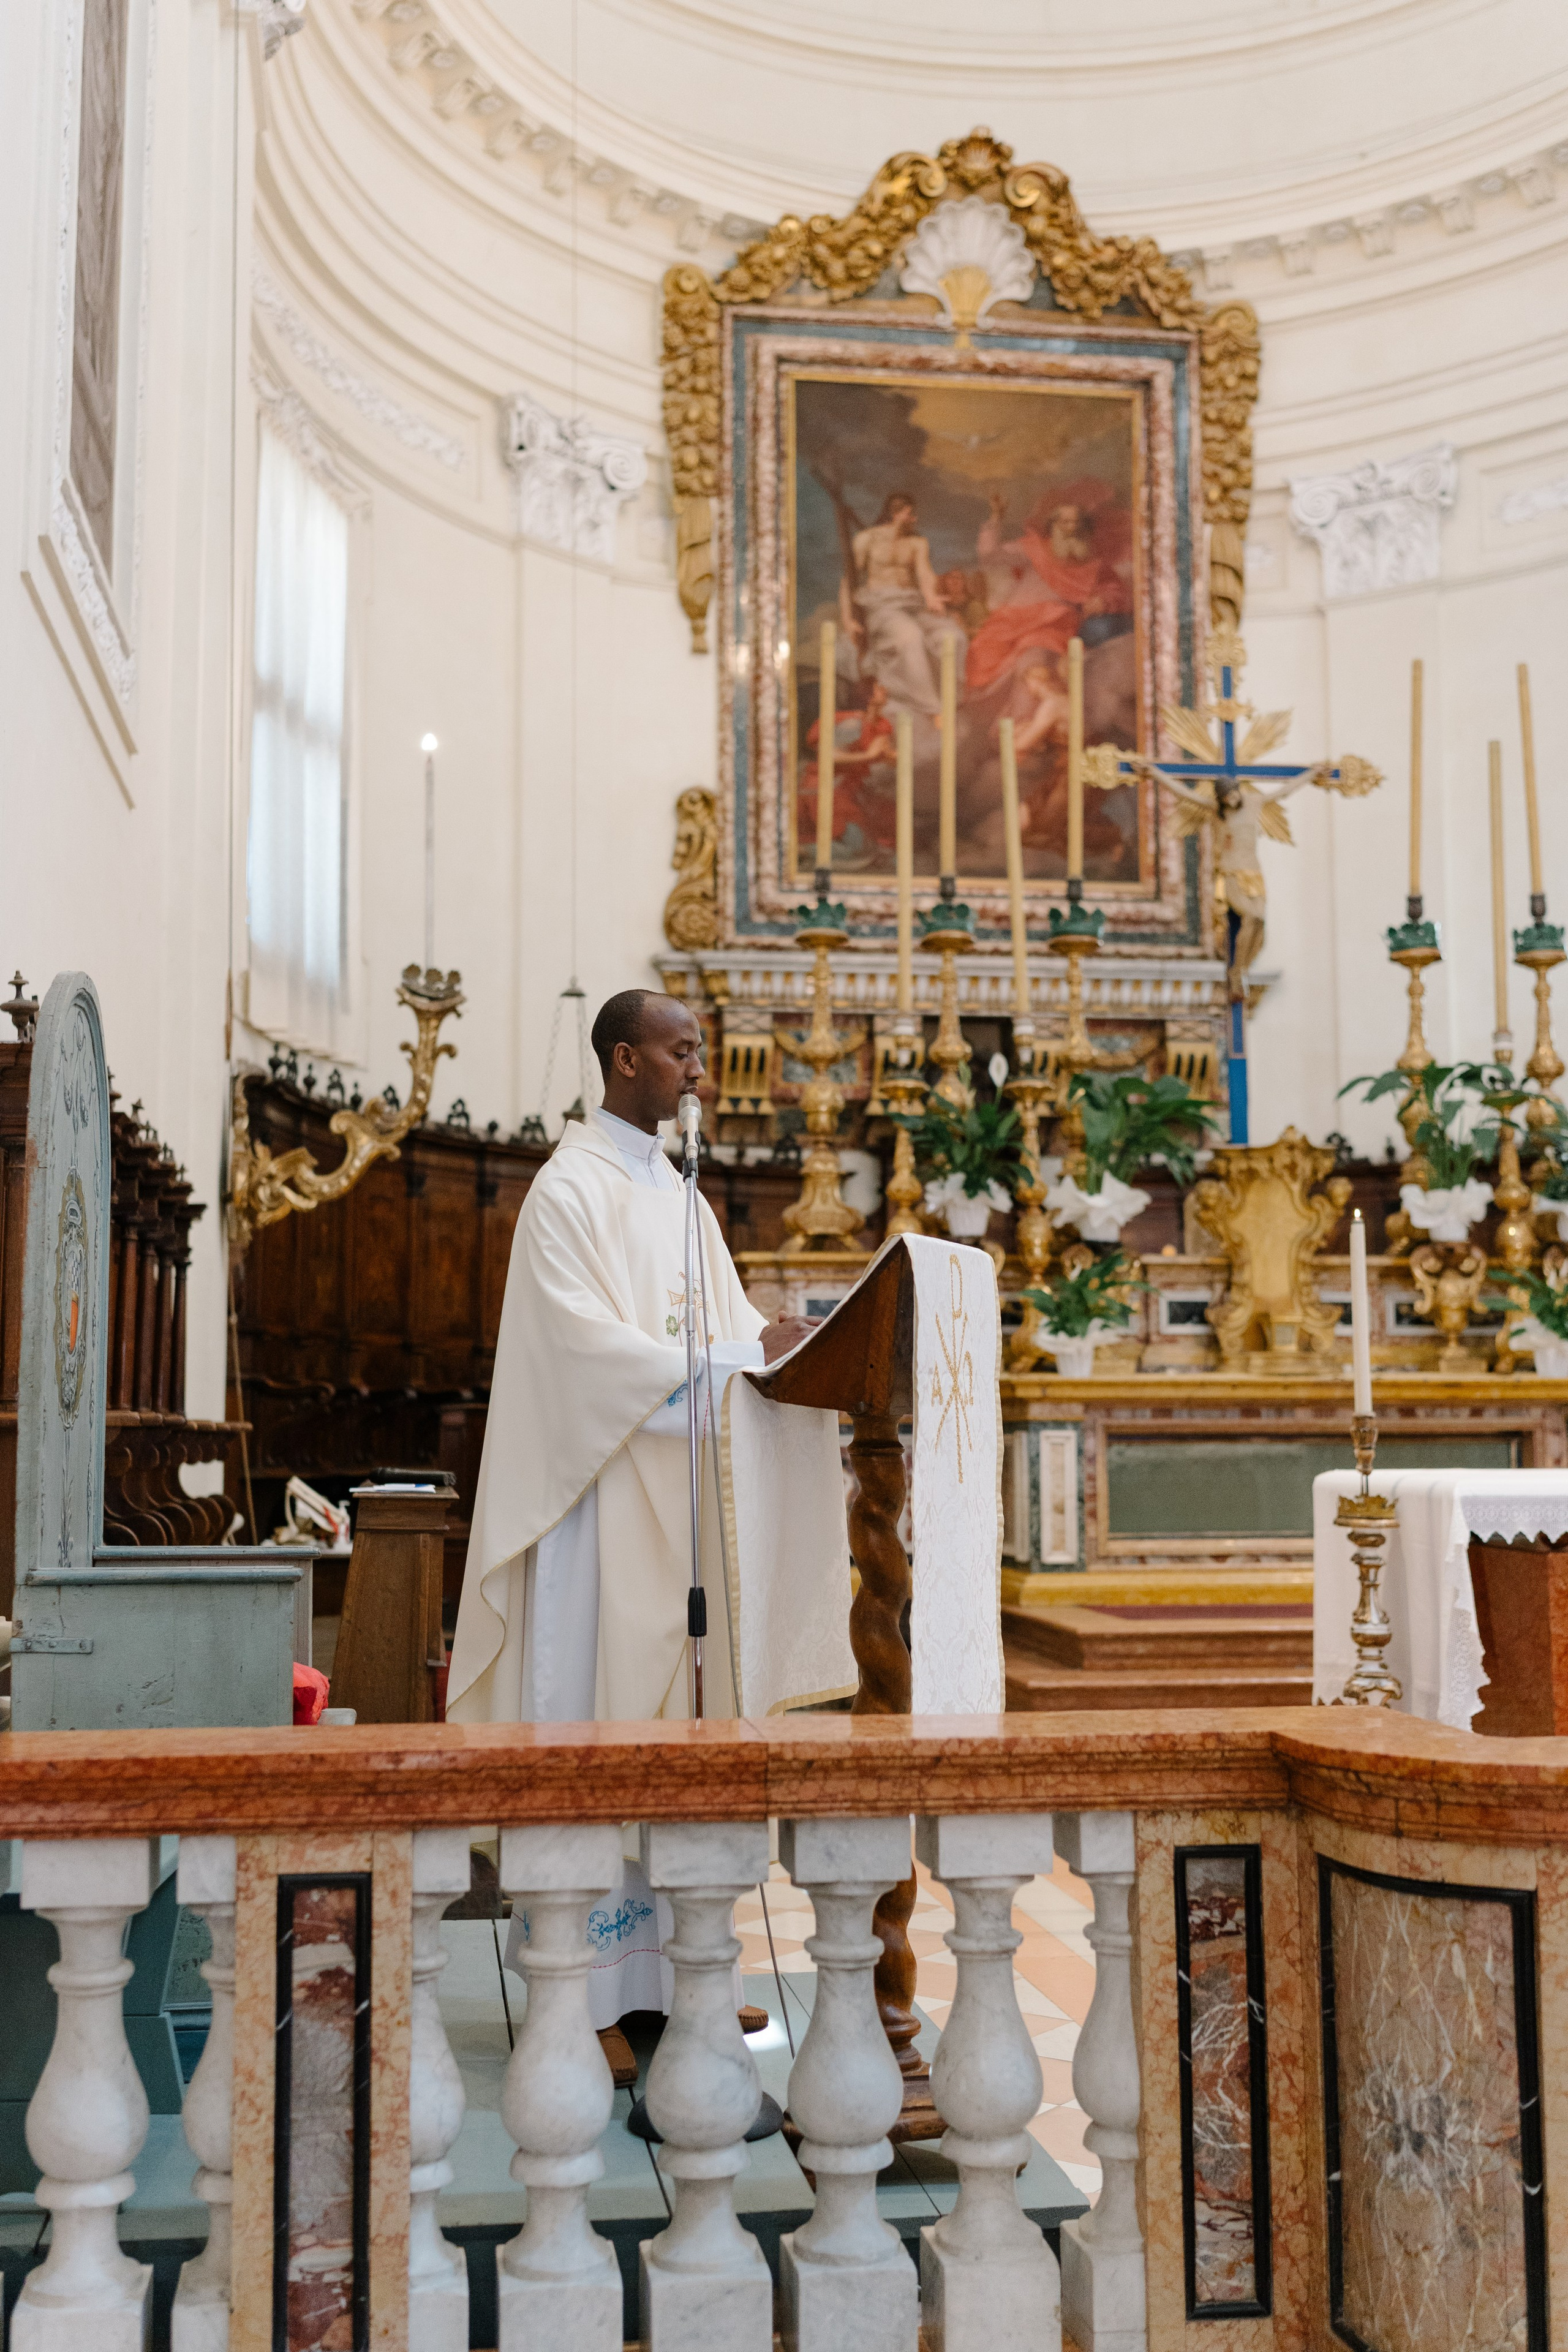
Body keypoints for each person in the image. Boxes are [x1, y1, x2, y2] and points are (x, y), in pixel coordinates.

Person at [445, 988, 810, 2061]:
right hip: (595, 1516)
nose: (700, 1070)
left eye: (696, 1051)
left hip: (681, 1515)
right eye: (681, 1051)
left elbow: (730, 1330)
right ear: (623, 1061)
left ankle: (676, 1979)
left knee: (678, 1736)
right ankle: (581, 1999)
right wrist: (735, 1359)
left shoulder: (682, 1196)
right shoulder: (571, 1192)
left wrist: (772, 1347)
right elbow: (585, 1359)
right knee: (593, 1726)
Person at [965, 488, 1131, 696]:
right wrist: (996, 518)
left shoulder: (1090, 562)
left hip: (1055, 623)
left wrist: (1102, 601)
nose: (1071, 528)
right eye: (1064, 523)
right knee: (985, 657)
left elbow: (1116, 591)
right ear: (1052, 526)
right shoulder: (1034, 549)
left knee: (1035, 658)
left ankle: (1030, 720)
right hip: (1014, 620)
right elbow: (990, 556)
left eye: (1076, 523)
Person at [843, 492, 966, 715]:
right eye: (910, 514)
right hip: (883, 608)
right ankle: (931, 708)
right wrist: (847, 620)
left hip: (913, 606)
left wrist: (931, 596)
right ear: (896, 514)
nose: (915, 520)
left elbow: (925, 573)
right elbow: (847, 582)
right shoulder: (867, 539)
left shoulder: (917, 543)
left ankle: (954, 699)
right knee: (911, 637)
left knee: (954, 636)